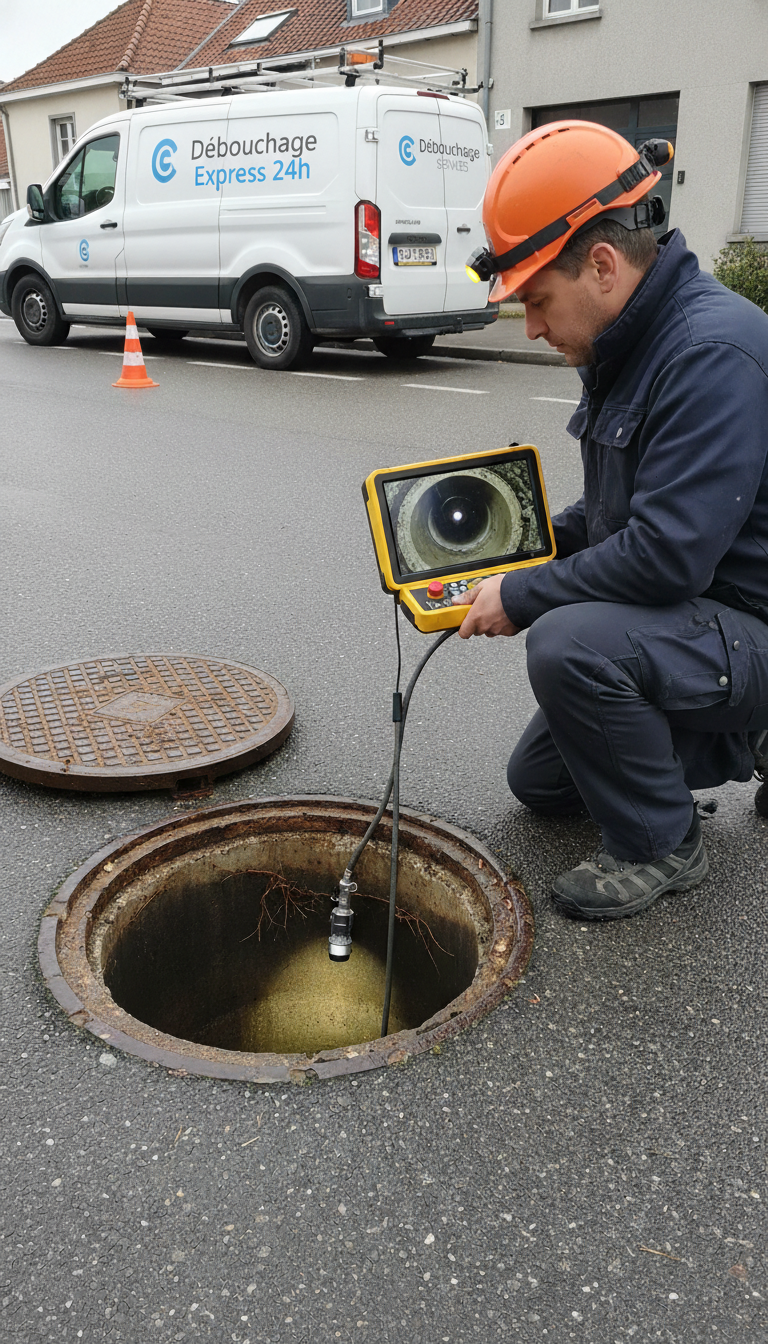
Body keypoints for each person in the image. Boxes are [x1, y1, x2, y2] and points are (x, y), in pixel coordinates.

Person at [457, 120, 768, 921]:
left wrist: (523, 594)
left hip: (748, 622)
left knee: (568, 644)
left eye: (535, 300)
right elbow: (621, 517)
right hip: (704, 619)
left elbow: (664, 557)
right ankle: (741, 740)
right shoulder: (628, 342)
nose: (528, 325)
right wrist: (518, 542)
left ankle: (663, 844)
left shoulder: (710, 352)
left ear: (601, 264)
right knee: (542, 784)